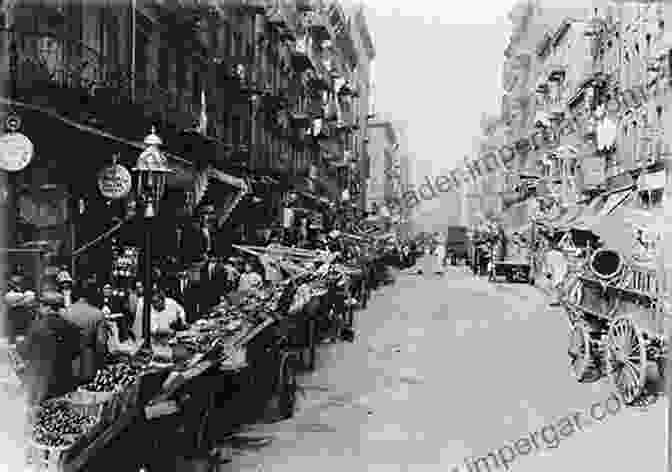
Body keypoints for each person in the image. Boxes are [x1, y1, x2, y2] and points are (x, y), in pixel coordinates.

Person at [59, 281, 109, 384]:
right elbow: (101, 343)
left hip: (68, 365)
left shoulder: (65, 313)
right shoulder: (98, 314)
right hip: (89, 364)